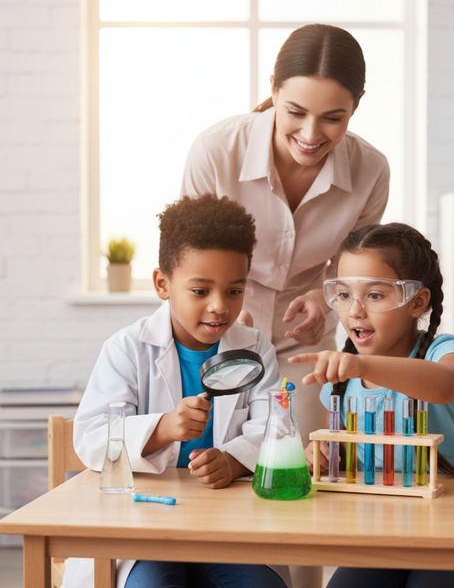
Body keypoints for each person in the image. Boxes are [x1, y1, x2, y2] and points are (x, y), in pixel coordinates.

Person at [63, 195, 290, 588]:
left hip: (228, 526)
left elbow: (275, 430)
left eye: (234, 291)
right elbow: (90, 438)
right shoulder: (127, 349)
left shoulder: (255, 350)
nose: (220, 307)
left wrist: (233, 462)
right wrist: (163, 428)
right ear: (162, 283)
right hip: (145, 527)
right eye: (200, 291)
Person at [181, 23, 390, 445]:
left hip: (305, 345)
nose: (311, 135)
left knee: (301, 461)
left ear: (358, 105)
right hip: (216, 333)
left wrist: (328, 300)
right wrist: (216, 312)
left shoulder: (372, 170)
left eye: (333, 118)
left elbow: (356, 272)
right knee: (211, 463)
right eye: (295, 112)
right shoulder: (217, 151)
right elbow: (185, 260)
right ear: (273, 89)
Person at [290, 222, 454, 588]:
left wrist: (364, 365)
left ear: (416, 301)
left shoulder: (444, 351)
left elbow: (448, 385)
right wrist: (318, 456)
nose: (355, 311)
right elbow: (345, 458)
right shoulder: (340, 382)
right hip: (380, 538)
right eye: (343, 294)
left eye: (375, 295)